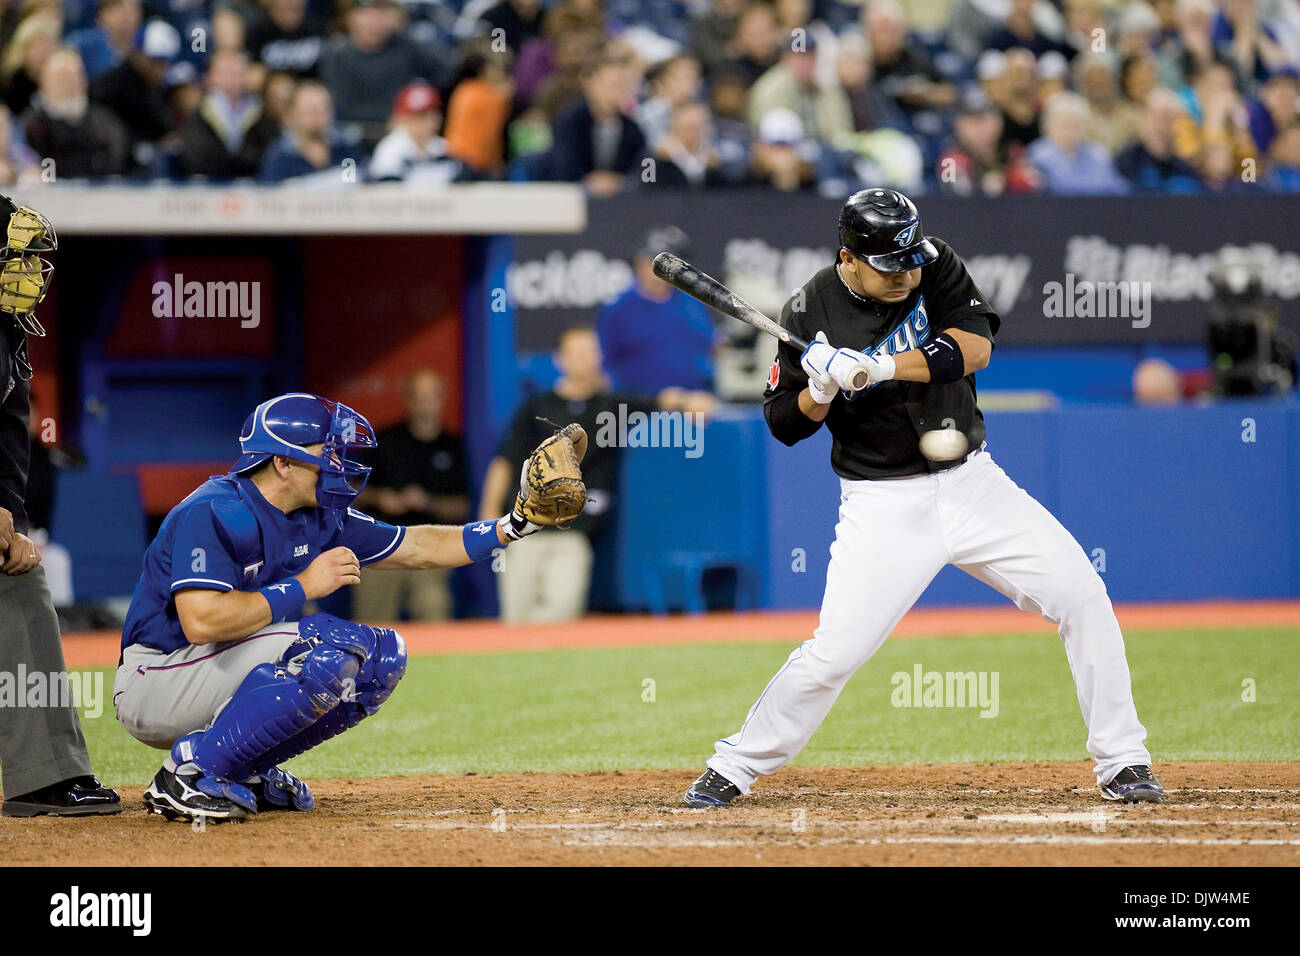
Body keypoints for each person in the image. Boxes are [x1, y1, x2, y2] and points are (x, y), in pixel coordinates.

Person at [684, 188, 1162, 809]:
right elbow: (785, 423)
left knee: (1083, 595)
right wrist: (822, 389)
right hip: (882, 503)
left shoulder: (933, 264)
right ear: (848, 258)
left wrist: (879, 368)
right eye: (890, 266)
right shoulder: (807, 311)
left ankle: (1123, 759)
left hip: (973, 484)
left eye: (910, 261)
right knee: (834, 654)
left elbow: (975, 347)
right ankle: (735, 765)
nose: (906, 275)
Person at [112, 391, 582, 822]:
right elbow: (201, 622)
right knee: (327, 646)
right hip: (157, 679)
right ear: (282, 463)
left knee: (382, 658)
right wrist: (303, 585)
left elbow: (417, 546)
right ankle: (188, 774)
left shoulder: (320, 514)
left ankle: (240, 767)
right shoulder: (215, 510)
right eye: (327, 452)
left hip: (214, 668)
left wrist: (514, 524)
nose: (342, 464)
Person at [0, 196, 120, 817]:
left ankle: (44, 775)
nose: (27, 272)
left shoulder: (7, 334)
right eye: (12, 257)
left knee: (19, 581)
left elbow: (11, 435)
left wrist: (10, 518)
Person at [479, 328, 714, 623]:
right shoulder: (536, 408)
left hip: (572, 535)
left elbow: (657, 400)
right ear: (560, 360)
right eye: (577, 354)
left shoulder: (609, 407)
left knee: (562, 612)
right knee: (515, 618)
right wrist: (489, 516)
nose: (585, 361)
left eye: (591, 353)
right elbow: (505, 461)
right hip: (526, 530)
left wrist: (690, 401)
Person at [351, 370, 469, 622]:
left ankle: (440, 661)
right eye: (419, 396)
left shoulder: (452, 446)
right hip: (382, 542)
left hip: (430, 543)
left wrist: (428, 502)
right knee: (372, 617)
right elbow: (352, 492)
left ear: (441, 399)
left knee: (433, 605)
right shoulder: (385, 441)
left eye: (431, 396)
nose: (425, 403)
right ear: (408, 399)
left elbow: (462, 506)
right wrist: (382, 498)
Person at [597, 226, 718, 394]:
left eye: (667, 264)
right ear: (638, 264)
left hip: (693, 402)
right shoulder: (618, 308)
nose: (659, 271)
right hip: (639, 406)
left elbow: (709, 344)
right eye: (651, 263)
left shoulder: (691, 302)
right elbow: (604, 361)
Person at [22, 48, 131, 178]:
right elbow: (36, 163)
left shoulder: (103, 119)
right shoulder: (31, 124)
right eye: (63, 78)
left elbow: (117, 156)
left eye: (76, 76)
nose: (71, 84)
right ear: (44, 83)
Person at [549, 56, 647, 196]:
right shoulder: (570, 121)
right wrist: (591, 181)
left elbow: (644, 172)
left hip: (619, 201)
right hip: (574, 198)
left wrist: (619, 181)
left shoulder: (633, 129)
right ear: (590, 84)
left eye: (623, 86)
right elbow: (563, 166)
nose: (618, 93)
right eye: (612, 85)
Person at [176, 49, 279, 181]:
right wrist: (240, 161)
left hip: (255, 186)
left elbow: (269, 155)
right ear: (210, 76)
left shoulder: (262, 113)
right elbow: (198, 158)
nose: (232, 78)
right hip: (209, 187)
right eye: (226, 72)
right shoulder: (198, 116)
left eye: (237, 72)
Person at [257, 79, 360, 183]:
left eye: (324, 110)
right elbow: (270, 193)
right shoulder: (280, 156)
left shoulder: (347, 147)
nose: (318, 117)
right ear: (292, 114)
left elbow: (361, 184)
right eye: (310, 111)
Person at [367, 81, 466, 183]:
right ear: (403, 118)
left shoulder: (444, 148)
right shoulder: (390, 150)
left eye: (431, 115)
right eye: (419, 116)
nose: (427, 122)